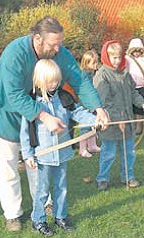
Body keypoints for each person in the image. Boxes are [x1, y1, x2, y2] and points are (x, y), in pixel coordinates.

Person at [0, 16, 108, 231]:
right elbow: (13, 95)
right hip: (6, 113)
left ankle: (45, 205)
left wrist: (98, 109)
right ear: (37, 38)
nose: (58, 49)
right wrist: (44, 116)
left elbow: (79, 79)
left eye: (60, 43)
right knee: (8, 166)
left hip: (38, 116)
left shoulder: (59, 52)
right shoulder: (15, 52)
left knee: (40, 162)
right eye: (53, 44)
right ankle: (13, 214)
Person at [20, 59, 98, 236]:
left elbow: (77, 112)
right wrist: (28, 154)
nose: (54, 84)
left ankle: (60, 216)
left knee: (61, 186)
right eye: (50, 81)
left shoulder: (63, 97)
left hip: (62, 153)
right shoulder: (32, 102)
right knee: (42, 191)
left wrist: (95, 120)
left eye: (56, 80)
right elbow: (25, 132)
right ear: (39, 80)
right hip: (43, 155)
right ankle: (38, 220)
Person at [93, 40, 144, 191]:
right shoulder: (102, 75)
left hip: (127, 121)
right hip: (110, 122)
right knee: (108, 153)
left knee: (129, 152)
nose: (117, 61)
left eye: (119, 57)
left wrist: (142, 103)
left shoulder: (125, 72)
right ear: (107, 57)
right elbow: (104, 102)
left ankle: (128, 176)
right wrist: (117, 119)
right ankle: (102, 178)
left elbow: (133, 92)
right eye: (113, 57)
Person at [79, 49, 101, 158]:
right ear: (86, 63)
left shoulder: (93, 73)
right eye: (93, 62)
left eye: (97, 62)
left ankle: (92, 145)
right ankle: (82, 149)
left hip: (91, 104)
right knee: (85, 126)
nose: (96, 64)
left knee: (93, 124)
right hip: (85, 104)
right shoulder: (85, 75)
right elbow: (85, 91)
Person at [126, 38, 144, 135]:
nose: (136, 53)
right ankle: (133, 126)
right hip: (131, 87)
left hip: (141, 87)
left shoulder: (143, 59)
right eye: (134, 51)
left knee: (140, 109)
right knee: (132, 108)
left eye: (138, 50)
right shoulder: (127, 60)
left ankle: (139, 127)